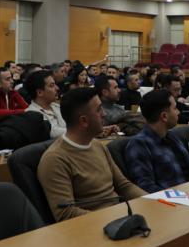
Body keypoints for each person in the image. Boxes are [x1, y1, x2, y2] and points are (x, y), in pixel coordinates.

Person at [37, 87, 145, 221]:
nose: (104, 114)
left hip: (120, 216)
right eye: (99, 110)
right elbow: (66, 213)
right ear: (84, 121)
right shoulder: (54, 159)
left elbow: (124, 186)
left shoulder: (97, 145)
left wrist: (152, 201)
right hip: (94, 226)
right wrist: (113, 217)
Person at [124, 89, 189, 193]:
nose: (178, 112)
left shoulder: (171, 136)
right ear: (164, 116)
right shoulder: (139, 145)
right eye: (175, 108)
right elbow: (146, 187)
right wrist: (180, 196)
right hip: (168, 199)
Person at [25, 69, 66, 138]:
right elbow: (52, 132)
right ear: (39, 92)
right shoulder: (31, 113)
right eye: (52, 85)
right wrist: (77, 131)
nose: (57, 88)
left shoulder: (56, 106)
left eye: (55, 84)